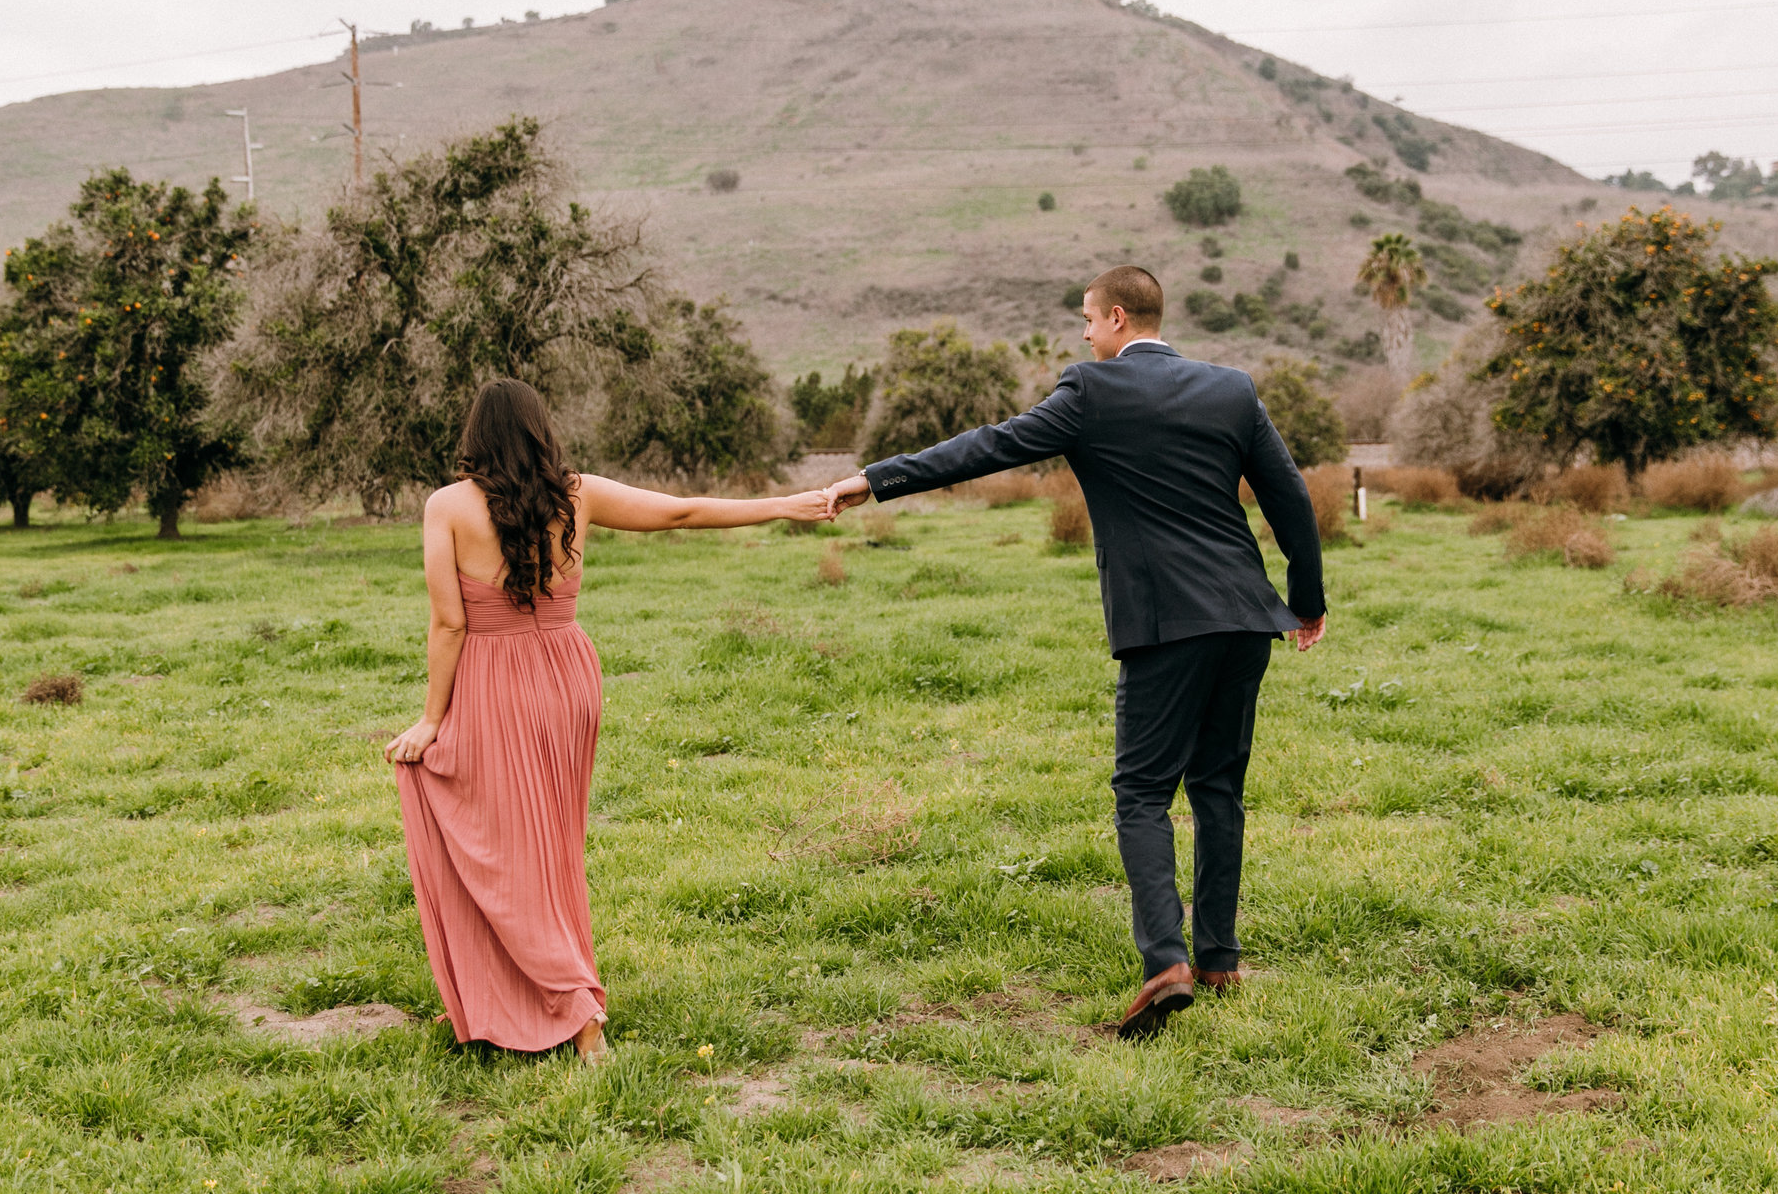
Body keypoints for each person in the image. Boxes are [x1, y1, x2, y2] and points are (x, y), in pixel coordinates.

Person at [826, 266, 1325, 1041]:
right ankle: (1220, 956)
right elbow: (1290, 496)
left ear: (1118, 318)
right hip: (1245, 616)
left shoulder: (1093, 392)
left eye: (1088, 321)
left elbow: (988, 448)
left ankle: (1167, 963)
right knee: (1219, 786)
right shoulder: (1232, 388)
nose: (1085, 335)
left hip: (1166, 624)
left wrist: (875, 480)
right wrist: (1308, 598)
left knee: (1142, 792)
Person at [385, 379, 831, 1060]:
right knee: (551, 848)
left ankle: (576, 1007)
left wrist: (429, 719)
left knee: (505, 849)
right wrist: (784, 505)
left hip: (494, 681)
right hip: (567, 678)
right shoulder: (577, 492)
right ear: (540, 429)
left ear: (474, 435)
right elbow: (682, 512)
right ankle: (512, 995)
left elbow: (450, 622)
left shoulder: (447, 505)